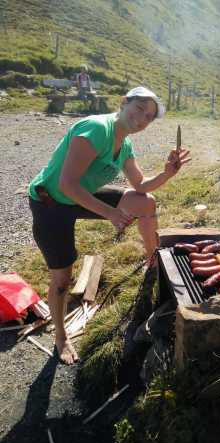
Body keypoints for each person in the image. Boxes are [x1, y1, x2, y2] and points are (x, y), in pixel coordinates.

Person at [28, 86, 190, 365]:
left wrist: (167, 173)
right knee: (62, 279)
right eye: (139, 109)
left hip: (80, 196)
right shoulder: (96, 129)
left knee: (146, 203)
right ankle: (61, 338)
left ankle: (152, 262)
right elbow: (66, 184)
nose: (142, 119)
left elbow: (140, 185)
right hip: (51, 202)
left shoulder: (124, 144)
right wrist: (110, 213)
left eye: (149, 117)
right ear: (123, 102)